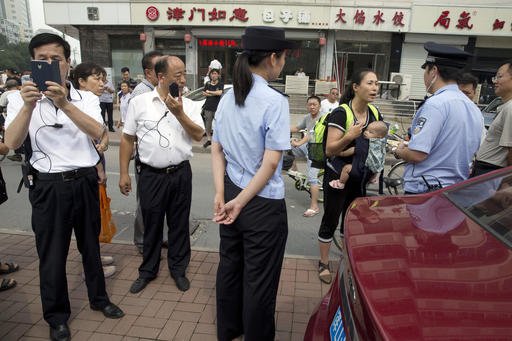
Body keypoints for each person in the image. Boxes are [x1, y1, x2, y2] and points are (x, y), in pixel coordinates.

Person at [4, 33, 124, 341]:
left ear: (67, 63)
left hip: (84, 180)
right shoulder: (20, 97)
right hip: (48, 186)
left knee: (91, 247)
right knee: (52, 255)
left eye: (55, 59)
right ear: (32, 64)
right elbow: (13, 142)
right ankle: (57, 317)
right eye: (41, 59)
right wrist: (29, 107)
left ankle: (100, 299)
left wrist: (64, 102)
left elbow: (99, 132)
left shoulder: (87, 98)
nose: (49, 64)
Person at [211, 26, 296, 341]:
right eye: (284, 58)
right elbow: (271, 163)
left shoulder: (227, 98)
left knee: (230, 267)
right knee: (259, 281)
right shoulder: (274, 101)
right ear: (273, 58)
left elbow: (216, 149)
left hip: (232, 191)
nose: (283, 64)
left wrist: (222, 194)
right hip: (260, 203)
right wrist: (241, 201)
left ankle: (229, 330)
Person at [119, 55, 204, 294]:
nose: (183, 79)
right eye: (178, 75)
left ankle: (178, 269)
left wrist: (179, 113)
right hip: (150, 175)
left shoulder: (189, 104)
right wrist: (123, 172)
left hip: (180, 173)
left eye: (184, 74)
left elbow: (199, 135)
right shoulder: (140, 102)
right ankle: (148, 270)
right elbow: (127, 139)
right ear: (161, 77)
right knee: (152, 224)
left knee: (179, 224)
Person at [317, 69, 383, 284]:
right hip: (337, 176)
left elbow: (377, 144)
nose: (375, 88)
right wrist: (350, 136)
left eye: (377, 84)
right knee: (331, 218)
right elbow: (330, 150)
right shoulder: (341, 113)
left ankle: (347, 260)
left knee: (353, 220)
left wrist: (375, 169)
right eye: (370, 83)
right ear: (356, 87)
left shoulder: (374, 112)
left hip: (359, 176)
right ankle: (324, 262)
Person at [393, 42, 483, 193]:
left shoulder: (435, 104)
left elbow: (417, 154)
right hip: (456, 190)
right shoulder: (473, 108)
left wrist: (400, 151)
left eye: (425, 70)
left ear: (433, 70)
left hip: (426, 190)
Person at [72, 62, 117, 279]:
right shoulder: (75, 103)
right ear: (81, 81)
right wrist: (99, 166)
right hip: (85, 169)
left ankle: (94, 256)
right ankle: (90, 266)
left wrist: (106, 138)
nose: (102, 83)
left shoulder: (90, 100)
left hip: (93, 164)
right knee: (86, 222)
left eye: (103, 79)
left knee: (93, 217)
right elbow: (88, 138)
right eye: (96, 79)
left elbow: (100, 134)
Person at [128, 50, 164, 254]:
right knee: (145, 203)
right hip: (146, 159)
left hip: (158, 158)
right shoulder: (142, 93)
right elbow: (129, 134)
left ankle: (156, 238)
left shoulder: (158, 90)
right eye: (160, 67)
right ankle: (143, 242)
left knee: (157, 203)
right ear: (149, 73)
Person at [472, 60, 512, 176]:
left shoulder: (510, 108)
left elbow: (510, 149)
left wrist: (508, 181)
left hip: (491, 171)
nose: (495, 81)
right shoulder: (505, 107)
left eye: (499, 77)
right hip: (485, 169)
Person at [329, 120, 388, 189]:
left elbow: (352, 150)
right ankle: (373, 178)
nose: (366, 132)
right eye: (366, 130)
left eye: (370, 132)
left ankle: (341, 183)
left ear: (379, 136)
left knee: (346, 168)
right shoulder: (381, 144)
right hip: (370, 172)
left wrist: (341, 153)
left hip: (360, 170)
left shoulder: (364, 145)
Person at [289, 95, 322, 217]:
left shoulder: (323, 117)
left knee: (312, 177)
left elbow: (310, 136)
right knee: (287, 146)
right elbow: (297, 128)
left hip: (318, 149)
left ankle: (314, 207)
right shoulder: (307, 117)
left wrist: (298, 142)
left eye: (315, 104)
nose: (312, 107)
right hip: (308, 146)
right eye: (310, 104)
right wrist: (279, 128)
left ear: (319, 106)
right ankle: (294, 168)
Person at [0, 79, 23, 162]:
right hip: (24, 117)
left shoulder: (5, 94)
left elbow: (1, 106)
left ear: (7, 87)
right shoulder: (22, 93)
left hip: (10, 119)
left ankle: (17, 154)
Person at [202, 68, 224, 148]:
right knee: (208, 125)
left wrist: (210, 92)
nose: (214, 75)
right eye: (212, 74)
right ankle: (209, 140)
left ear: (218, 75)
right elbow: (204, 93)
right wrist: (214, 94)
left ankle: (219, 141)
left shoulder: (220, 84)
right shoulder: (207, 84)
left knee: (219, 124)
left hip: (217, 107)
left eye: (215, 74)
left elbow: (220, 93)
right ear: (210, 75)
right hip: (208, 107)